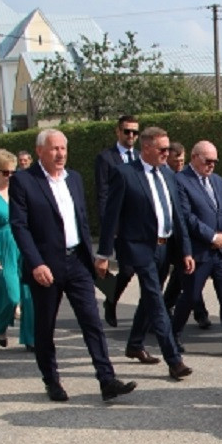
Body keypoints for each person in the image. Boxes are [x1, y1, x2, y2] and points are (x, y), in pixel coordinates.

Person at [9, 128, 137, 402]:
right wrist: (35, 263)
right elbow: (19, 226)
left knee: (92, 321)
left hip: (77, 261)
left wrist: (96, 257)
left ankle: (106, 379)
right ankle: (51, 381)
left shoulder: (74, 179)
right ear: (39, 151)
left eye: (63, 149)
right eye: (54, 149)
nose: (60, 154)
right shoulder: (24, 181)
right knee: (45, 326)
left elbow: (81, 220)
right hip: (46, 266)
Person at [96, 126, 195, 381]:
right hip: (138, 247)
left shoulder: (168, 175)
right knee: (156, 301)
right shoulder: (125, 174)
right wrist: (104, 253)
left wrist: (185, 250)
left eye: (168, 149)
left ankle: (134, 344)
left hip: (165, 246)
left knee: (151, 298)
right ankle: (174, 360)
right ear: (147, 147)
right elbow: (111, 216)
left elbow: (178, 216)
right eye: (162, 149)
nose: (167, 154)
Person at [171, 140, 222, 358]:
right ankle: (173, 333)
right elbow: (186, 216)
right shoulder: (180, 181)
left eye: (215, 161)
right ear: (195, 157)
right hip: (199, 251)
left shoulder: (218, 181)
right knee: (190, 295)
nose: (212, 165)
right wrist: (211, 236)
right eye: (208, 161)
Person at [0, 150, 35, 352]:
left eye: (13, 172)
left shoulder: (19, 191)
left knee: (29, 294)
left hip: (25, 244)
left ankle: (31, 337)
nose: (10, 176)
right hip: (3, 247)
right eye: (5, 172)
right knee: (11, 295)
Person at [94, 115, 141, 328]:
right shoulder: (106, 158)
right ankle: (111, 300)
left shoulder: (141, 157)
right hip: (120, 226)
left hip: (141, 225)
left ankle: (151, 312)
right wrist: (109, 227)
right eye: (127, 131)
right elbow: (103, 195)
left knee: (148, 270)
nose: (131, 136)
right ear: (118, 132)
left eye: (135, 132)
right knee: (127, 270)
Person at [161, 140, 211, 330]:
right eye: (176, 161)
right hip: (167, 236)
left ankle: (194, 312)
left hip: (183, 236)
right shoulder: (165, 176)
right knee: (184, 278)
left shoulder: (184, 178)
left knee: (183, 277)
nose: (179, 164)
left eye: (182, 161)